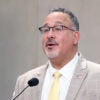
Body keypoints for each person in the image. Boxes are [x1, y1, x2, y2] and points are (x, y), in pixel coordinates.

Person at [12, 8, 100, 100]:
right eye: (46, 30)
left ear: (75, 37)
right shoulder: (25, 82)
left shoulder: (97, 77)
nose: (49, 35)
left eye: (58, 28)